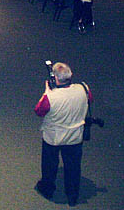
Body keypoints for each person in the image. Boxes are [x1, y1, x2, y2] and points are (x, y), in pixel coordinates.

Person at [34, 62, 93, 207]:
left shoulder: (50, 97)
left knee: (49, 165)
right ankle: (72, 195)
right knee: (73, 166)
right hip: (75, 137)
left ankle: (47, 189)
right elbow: (89, 100)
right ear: (70, 75)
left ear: (54, 78)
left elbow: (39, 111)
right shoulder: (84, 89)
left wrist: (46, 92)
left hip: (53, 138)